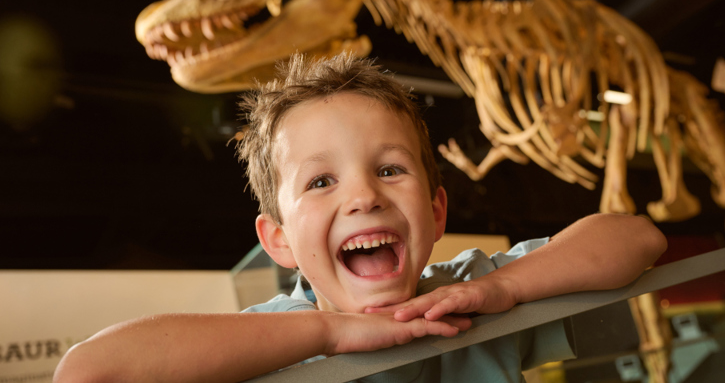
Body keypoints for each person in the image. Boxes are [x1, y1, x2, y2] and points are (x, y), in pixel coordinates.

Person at [53, 53, 667, 383]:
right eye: (321, 182)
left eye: (390, 169)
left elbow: (637, 238)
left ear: (436, 211)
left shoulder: (469, 294)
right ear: (278, 240)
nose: (364, 197)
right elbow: (88, 372)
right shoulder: (269, 342)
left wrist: (503, 287)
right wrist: (330, 334)